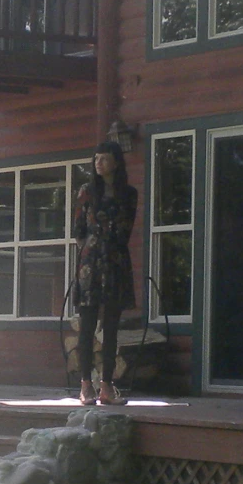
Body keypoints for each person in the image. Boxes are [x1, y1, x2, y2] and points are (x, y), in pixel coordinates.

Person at [70, 140, 138, 405]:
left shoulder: (128, 193)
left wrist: (109, 247)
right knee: (87, 327)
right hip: (90, 262)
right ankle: (85, 385)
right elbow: (78, 230)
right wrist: (89, 251)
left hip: (116, 261)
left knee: (111, 328)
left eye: (105, 159)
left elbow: (127, 228)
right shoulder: (86, 191)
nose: (99, 163)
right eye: (96, 158)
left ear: (116, 162)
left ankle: (107, 386)